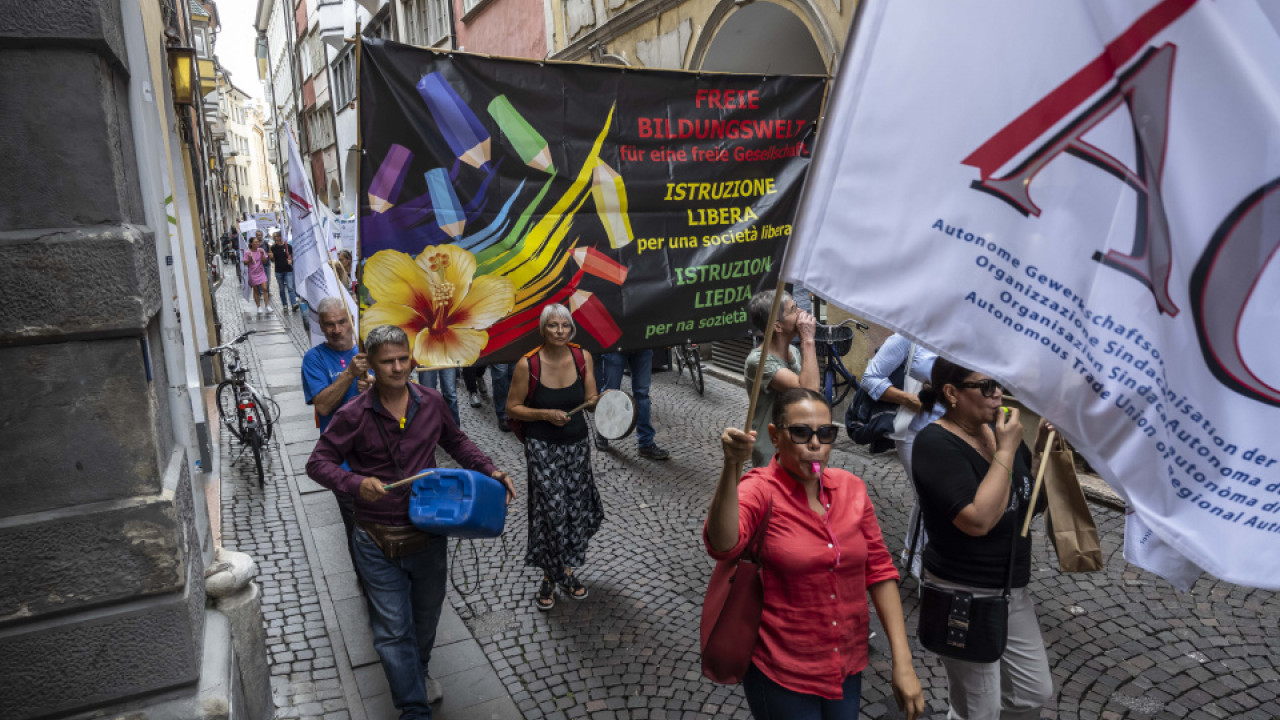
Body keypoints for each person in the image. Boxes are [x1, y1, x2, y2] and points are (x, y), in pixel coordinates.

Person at [307, 325, 516, 719]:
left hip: (429, 531)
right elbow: (317, 463)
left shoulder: (432, 401)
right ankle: (413, 708)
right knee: (390, 632)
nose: (398, 368)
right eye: (388, 362)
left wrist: (490, 470)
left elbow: (456, 442)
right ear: (370, 364)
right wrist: (354, 483)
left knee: (424, 619)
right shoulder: (353, 414)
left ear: (413, 359)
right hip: (375, 539)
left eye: (404, 359)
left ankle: (416, 670)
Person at [706, 388, 924, 720]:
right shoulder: (759, 489)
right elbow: (722, 544)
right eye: (800, 432)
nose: (815, 444)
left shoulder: (852, 488)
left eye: (825, 433)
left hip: (846, 666)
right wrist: (731, 466)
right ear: (774, 436)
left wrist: (903, 661)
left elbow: (879, 571)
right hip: (782, 672)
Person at [911, 359, 1054, 720]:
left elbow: (1024, 504)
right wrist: (1005, 451)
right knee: (979, 709)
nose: (999, 394)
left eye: (1000, 384)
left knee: (1032, 691)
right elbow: (978, 521)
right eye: (987, 386)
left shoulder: (999, 432)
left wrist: (1038, 452)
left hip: (1011, 589)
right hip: (963, 594)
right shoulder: (935, 443)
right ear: (952, 393)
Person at [506, 305, 602, 610]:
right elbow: (512, 408)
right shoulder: (528, 364)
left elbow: (590, 401)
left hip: (576, 444)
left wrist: (601, 404)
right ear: (543, 329)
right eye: (553, 326)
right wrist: (545, 414)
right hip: (541, 445)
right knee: (551, 510)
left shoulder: (582, 357)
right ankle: (550, 575)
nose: (559, 331)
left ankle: (568, 569)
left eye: (564, 325)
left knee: (574, 507)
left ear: (571, 329)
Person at [861, 334, 942, 577]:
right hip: (916, 432)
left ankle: (919, 552)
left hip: (955, 432)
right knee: (930, 498)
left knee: (938, 498)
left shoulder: (961, 335)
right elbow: (870, 378)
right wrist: (910, 399)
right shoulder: (908, 336)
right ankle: (918, 558)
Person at [302, 297, 370, 550]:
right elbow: (323, 405)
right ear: (320, 325)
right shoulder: (314, 359)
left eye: (342, 322)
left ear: (351, 320)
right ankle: (366, 582)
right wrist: (349, 374)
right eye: (329, 324)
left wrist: (374, 388)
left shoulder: (369, 353)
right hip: (343, 464)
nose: (337, 329)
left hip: (379, 456)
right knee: (358, 530)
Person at [743, 289, 818, 468]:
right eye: (793, 310)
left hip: (797, 443)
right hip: (771, 451)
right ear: (777, 326)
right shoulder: (758, 362)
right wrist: (808, 340)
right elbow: (810, 391)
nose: (801, 313)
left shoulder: (793, 352)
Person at [594, 349, 669, 460]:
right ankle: (602, 431)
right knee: (611, 391)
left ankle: (645, 443)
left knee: (642, 394)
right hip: (616, 346)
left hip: (642, 346)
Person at [243, 232, 271, 316]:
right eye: (255, 242)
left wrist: (262, 255)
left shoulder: (261, 250)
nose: (257, 244)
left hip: (261, 272)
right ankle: (258, 306)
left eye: (257, 242)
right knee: (256, 290)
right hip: (253, 273)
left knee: (265, 288)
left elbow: (265, 261)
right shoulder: (248, 252)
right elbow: (245, 263)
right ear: (251, 244)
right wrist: (249, 259)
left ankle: (267, 305)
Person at [270, 232, 298, 312]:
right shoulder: (273, 247)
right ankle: (285, 304)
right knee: (281, 288)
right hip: (278, 271)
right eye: (275, 236)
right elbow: (272, 260)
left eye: (277, 236)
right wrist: (271, 257)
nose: (276, 238)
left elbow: (293, 255)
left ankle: (293, 304)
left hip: (288, 270)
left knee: (290, 287)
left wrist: (291, 260)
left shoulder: (288, 246)